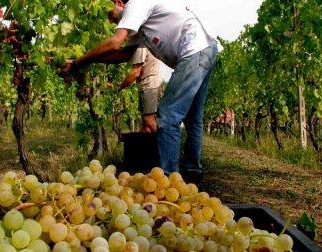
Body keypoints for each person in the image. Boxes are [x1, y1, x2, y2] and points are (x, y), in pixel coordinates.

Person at [62, 0, 218, 183]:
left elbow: (114, 43)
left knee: (168, 115)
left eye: (109, 14)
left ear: (118, 3)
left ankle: (168, 180)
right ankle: (192, 174)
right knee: (193, 119)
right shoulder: (142, 25)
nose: (112, 22)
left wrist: (79, 62)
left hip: (194, 49)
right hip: (205, 48)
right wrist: (93, 59)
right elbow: (124, 54)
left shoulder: (135, 4)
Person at [109, 10, 164, 133]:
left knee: (149, 120)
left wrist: (119, 87)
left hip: (150, 86)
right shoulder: (145, 38)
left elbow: (135, 72)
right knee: (145, 124)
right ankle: (145, 151)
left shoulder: (140, 43)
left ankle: (168, 149)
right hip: (148, 85)